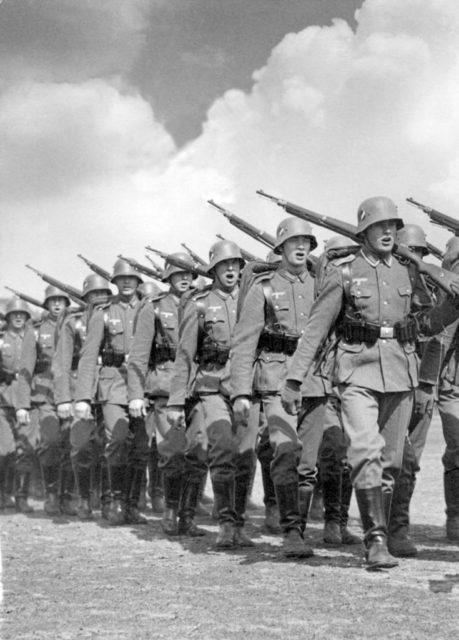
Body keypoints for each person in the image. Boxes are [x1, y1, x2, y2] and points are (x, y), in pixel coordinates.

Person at [281, 196, 422, 569]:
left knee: (391, 463)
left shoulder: (409, 270)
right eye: (380, 226)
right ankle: (375, 542)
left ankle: (383, 535)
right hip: (356, 371)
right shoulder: (344, 271)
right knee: (363, 450)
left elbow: (426, 324)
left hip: (401, 372)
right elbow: (316, 327)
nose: (388, 231)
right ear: (364, 231)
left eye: (393, 226)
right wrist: (295, 377)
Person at [230, 217, 318, 558]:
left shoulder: (322, 285)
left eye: (306, 242)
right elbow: (243, 343)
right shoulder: (263, 288)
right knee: (285, 450)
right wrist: (240, 391)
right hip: (276, 381)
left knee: (310, 461)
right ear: (280, 248)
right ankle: (292, 531)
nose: (300, 247)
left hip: (317, 379)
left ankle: (304, 528)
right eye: (293, 242)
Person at [167, 240, 255, 548]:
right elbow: (185, 355)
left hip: (246, 386)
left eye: (235, 265)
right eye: (224, 265)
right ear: (213, 269)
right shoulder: (200, 303)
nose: (231, 270)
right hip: (211, 387)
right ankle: (226, 523)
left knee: (246, 456)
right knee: (222, 450)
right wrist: (177, 401)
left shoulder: (252, 298)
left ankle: (240, 523)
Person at [127, 253, 199, 535]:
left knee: (199, 452)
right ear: (167, 277)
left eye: (188, 274)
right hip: (166, 388)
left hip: (199, 387)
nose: (183, 278)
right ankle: (170, 513)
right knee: (172, 453)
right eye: (177, 274)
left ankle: (188, 517)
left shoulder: (203, 303)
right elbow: (139, 355)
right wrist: (135, 393)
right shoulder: (153, 308)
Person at [74, 259, 148, 526]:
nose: (126, 282)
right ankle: (114, 501)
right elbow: (88, 355)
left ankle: (132, 504)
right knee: (116, 440)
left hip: (145, 383)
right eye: (121, 278)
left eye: (132, 278)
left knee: (141, 447)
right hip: (113, 383)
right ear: (114, 283)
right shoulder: (104, 313)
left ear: (139, 282)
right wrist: (83, 396)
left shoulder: (150, 308)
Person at [52, 274, 112, 520]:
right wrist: (64, 398)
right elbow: (62, 362)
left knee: (113, 444)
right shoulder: (72, 322)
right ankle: (84, 498)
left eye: (104, 294)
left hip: (110, 386)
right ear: (85, 298)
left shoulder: (115, 316)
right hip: (80, 389)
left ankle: (109, 500)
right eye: (94, 295)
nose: (99, 299)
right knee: (81, 446)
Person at [16, 286, 75, 516]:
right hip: (45, 395)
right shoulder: (36, 331)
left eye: (61, 301)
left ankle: (68, 495)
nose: (57, 304)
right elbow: (25, 370)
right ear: (46, 304)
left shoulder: (76, 326)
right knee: (49, 443)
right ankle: (51, 494)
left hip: (71, 392)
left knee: (73, 445)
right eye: (53, 301)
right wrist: (22, 404)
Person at [0, 297, 37, 512]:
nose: (18, 318)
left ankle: (22, 496)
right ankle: (4, 493)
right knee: (6, 449)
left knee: (26, 448)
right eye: (14, 315)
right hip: (3, 399)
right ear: (8, 317)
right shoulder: (1, 340)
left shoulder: (34, 339)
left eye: (22, 315)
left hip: (28, 397)